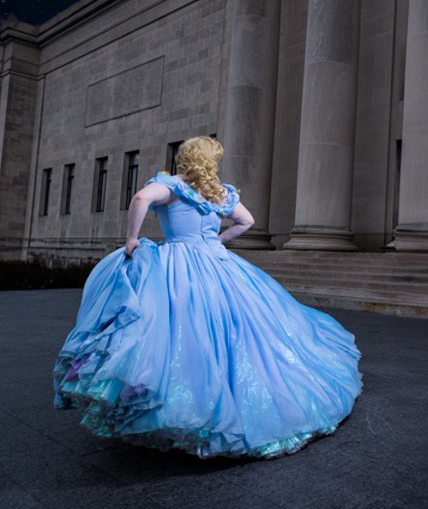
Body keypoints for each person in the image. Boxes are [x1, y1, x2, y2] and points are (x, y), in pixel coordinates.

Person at [52, 136, 362, 459]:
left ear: (185, 157)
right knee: (236, 331)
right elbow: (248, 221)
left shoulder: (172, 186)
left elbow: (141, 198)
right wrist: (219, 239)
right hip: (217, 263)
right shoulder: (220, 192)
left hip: (179, 266)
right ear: (211, 161)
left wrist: (132, 239)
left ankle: (182, 410)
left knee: (175, 332)